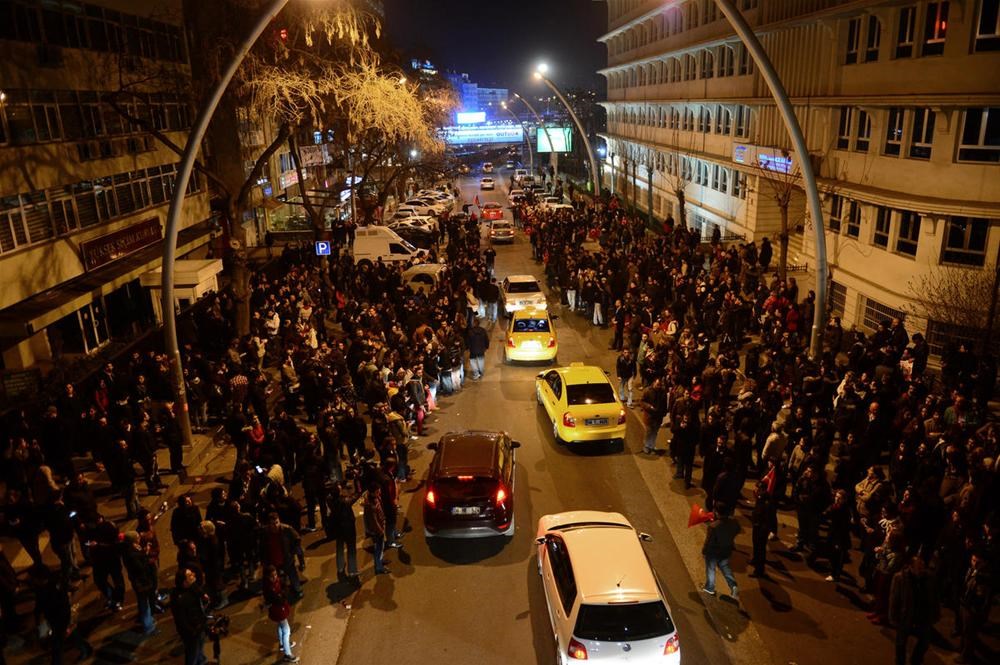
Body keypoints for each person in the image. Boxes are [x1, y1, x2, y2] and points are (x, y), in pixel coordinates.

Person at [889, 554, 937, 665]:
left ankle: (915, 660)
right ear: (910, 567)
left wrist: (935, 614)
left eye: (923, 567)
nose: (921, 570)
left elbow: (934, 597)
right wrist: (893, 617)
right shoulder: (900, 578)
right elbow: (894, 598)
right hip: (905, 617)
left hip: (922, 617)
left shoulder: (929, 578)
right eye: (918, 568)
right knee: (901, 643)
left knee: (924, 642)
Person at [701, 505, 741, 601]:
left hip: (713, 552)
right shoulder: (734, 523)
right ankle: (733, 586)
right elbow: (737, 530)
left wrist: (704, 551)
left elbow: (709, 541)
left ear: (717, 513)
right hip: (726, 550)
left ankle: (710, 588)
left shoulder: (714, 526)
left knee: (711, 569)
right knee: (725, 567)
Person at [122, 531, 158, 635]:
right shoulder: (131, 554)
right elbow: (140, 568)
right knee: (144, 604)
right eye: (137, 536)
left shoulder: (133, 548)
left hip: (140, 581)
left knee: (143, 602)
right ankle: (149, 627)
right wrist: (146, 555)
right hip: (141, 582)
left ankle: (146, 620)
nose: (139, 537)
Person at [171, 566, 208, 665]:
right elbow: (181, 620)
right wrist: (192, 631)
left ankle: (201, 660)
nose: (193, 575)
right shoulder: (180, 599)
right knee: (192, 652)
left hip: (199, 624)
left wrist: (204, 596)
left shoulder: (191, 586)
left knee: (200, 645)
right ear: (184, 582)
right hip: (192, 630)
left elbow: (200, 593)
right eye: (190, 575)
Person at [262, 565, 299, 663]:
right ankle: (287, 654)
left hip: (279, 609)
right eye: (272, 576)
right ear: (267, 577)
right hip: (278, 610)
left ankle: (282, 644)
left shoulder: (275, 582)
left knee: (280, 626)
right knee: (286, 630)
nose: (274, 577)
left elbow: (285, 588)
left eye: (275, 574)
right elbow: (279, 599)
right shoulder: (269, 588)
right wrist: (283, 594)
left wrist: (282, 593)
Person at [325, 482, 360, 584]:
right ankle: (352, 570)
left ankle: (340, 567)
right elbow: (356, 496)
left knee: (339, 547)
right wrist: (358, 485)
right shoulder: (345, 501)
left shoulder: (329, 500)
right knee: (351, 550)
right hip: (348, 528)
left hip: (337, 528)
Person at [363, 483, 389, 575]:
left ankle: (380, 560)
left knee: (380, 547)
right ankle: (379, 567)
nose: (379, 492)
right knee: (378, 548)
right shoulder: (371, 505)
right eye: (377, 491)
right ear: (373, 492)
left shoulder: (374, 499)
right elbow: (374, 521)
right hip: (376, 530)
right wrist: (380, 531)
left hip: (379, 527)